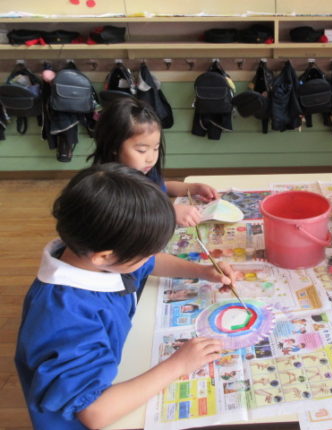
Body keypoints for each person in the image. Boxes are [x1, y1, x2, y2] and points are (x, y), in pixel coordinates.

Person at [15, 163, 236, 430]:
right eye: (145, 252)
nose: (150, 257)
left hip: (112, 371)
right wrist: (179, 365)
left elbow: (149, 263)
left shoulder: (87, 250)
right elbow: (94, 412)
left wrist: (202, 272)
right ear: (105, 257)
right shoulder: (66, 316)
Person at [87, 97, 218, 227]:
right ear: (114, 146)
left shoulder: (144, 170)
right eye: (142, 150)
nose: (151, 158)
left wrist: (194, 188)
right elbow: (126, 219)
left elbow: (161, 187)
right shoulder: (104, 187)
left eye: (156, 148)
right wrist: (169, 213)